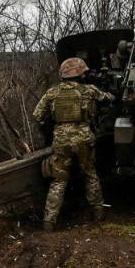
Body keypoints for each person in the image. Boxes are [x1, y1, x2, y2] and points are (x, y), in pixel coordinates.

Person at [32, 57, 115, 231]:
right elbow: (109, 98)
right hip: (84, 139)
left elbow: (37, 115)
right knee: (90, 174)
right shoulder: (89, 90)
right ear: (80, 74)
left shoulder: (52, 93)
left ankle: (49, 221)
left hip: (61, 141)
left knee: (58, 180)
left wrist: (53, 126)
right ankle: (98, 212)